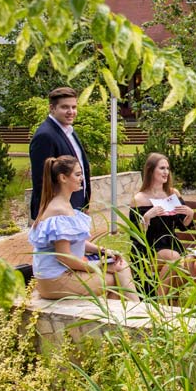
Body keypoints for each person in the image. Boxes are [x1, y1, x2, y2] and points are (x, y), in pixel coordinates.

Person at [29, 155, 139, 302]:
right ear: (63, 178)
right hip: (56, 280)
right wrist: (97, 267)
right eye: (78, 174)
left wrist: (102, 251)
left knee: (119, 266)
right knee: (118, 276)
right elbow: (64, 257)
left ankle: (129, 315)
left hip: (56, 276)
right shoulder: (59, 210)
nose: (82, 178)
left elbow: (75, 241)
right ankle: (138, 313)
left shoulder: (62, 205)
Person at [129, 153, 196, 297]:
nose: (166, 172)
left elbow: (183, 226)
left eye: (167, 168)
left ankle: (162, 297)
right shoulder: (139, 199)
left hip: (171, 242)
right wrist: (147, 217)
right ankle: (162, 299)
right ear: (150, 170)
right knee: (175, 260)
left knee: (185, 264)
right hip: (148, 246)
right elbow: (136, 235)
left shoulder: (172, 193)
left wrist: (190, 214)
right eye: (162, 168)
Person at [29, 87, 90, 221]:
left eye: (74, 107)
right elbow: (41, 179)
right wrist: (48, 214)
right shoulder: (45, 136)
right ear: (52, 108)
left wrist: (85, 201)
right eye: (65, 107)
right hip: (58, 213)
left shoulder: (69, 131)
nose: (71, 112)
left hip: (75, 204)